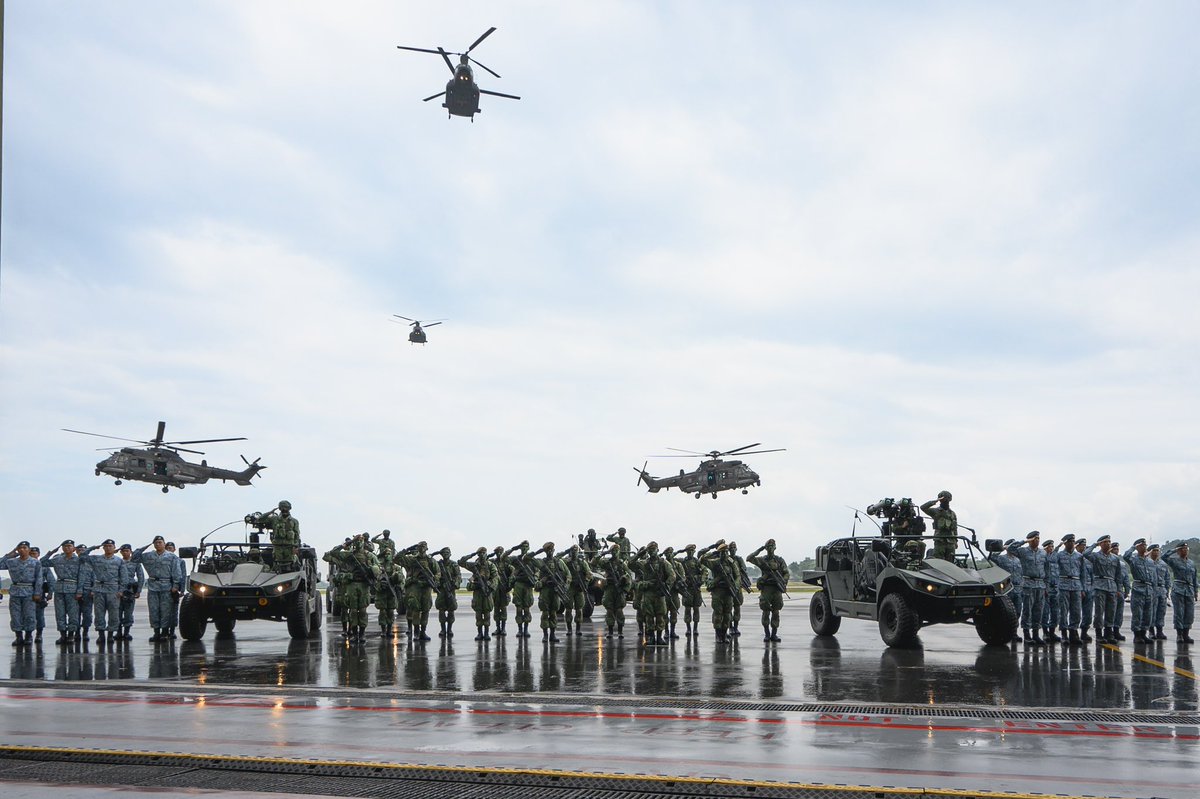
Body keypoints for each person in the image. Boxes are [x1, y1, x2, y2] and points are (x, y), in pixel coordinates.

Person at [324, 536, 381, 642]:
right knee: (353, 611)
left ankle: (362, 634)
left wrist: (372, 570)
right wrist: (347, 543)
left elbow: (378, 567)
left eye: (360, 541)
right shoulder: (348, 555)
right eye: (357, 541)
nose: (359, 543)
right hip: (351, 585)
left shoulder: (369, 555)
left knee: (363, 610)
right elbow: (333, 552)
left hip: (364, 585)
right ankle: (354, 634)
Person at [132, 536, 184, 642]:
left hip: (167, 586)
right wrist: (145, 547)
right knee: (154, 610)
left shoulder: (171, 557)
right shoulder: (148, 555)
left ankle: (164, 633)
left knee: (165, 611)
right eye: (156, 543)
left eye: (160, 542)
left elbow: (177, 572)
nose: (158, 544)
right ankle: (156, 633)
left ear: (164, 544)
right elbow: (134, 558)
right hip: (153, 586)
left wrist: (175, 586)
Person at [79, 539, 126, 645]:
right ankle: (101, 636)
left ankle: (110, 635)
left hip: (113, 589)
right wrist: (92, 548)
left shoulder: (119, 561)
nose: (108, 548)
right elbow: (82, 557)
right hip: (99, 589)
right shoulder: (96, 559)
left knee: (113, 614)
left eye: (110, 546)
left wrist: (121, 590)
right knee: (99, 613)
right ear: (103, 547)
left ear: (114, 548)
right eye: (106, 546)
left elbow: (124, 577)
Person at [40, 540, 85, 645]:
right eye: (65, 546)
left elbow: (82, 577)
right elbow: (42, 562)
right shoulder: (57, 559)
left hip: (73, 589)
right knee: (60, 613)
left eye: (69, 546)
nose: (67, 548)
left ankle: (71, 635)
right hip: (59, 589)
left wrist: (79, 591)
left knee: (73, 613)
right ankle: (62, 635)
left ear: (74, 548)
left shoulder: (79, 560)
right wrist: (50, 553)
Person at [1, 542, 43, 646]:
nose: (22, 550)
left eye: (24, 548)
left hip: (29, 591)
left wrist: (37, 592)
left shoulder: (35, 562)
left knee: (29, 615)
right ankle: (18, 636)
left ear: (29, 549)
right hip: (15, 591)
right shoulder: (11, 562)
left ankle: (28, 636)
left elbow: (39, 578)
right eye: (19, 548)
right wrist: (9, 554)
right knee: (15, 615)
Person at [632, 542, 674, 646]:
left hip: (659, 593)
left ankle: (659, 637)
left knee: (660, 615)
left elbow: (672, 576)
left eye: (654, 549)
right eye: (650, 550)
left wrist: (666, 586)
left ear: (657, 550)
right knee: (649, 617)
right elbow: (630, 564)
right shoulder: (644, 563)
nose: (652, 551)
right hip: (648, 592)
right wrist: (638, 554)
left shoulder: (664, 563)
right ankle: (651, 637)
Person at [748, 539, 788, 643]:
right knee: (766, 611)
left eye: (772, 546)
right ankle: (767, 634)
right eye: (768, 546)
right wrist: (759, 550)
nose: (770, 548)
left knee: (776, 612)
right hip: (766, 589)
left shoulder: (779, 560)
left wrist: (783, 581)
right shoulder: (762, 560)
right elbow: (749, 558)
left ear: (775, 547)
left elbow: (786, 573)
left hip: (776, 588)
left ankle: (774, 634)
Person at [700, 540, 741, 643]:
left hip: (728, 591)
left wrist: (735, 586)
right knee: (718, 614)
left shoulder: (731, 562)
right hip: (717, 591)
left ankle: (724, 634)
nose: (725, 554)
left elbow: (738, 576)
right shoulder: (715, 562)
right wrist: (713, 552)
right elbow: (702, 559)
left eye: (726, 552)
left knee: (727, 615)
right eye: (722, 552)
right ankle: (718, 635)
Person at [1083, 535, 1121, 644]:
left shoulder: (1115, 558)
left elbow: (1118, 576)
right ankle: (1099, 634)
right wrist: (1095, 544)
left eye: (1109, 542)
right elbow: (1086, 554)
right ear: (1101, 544)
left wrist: (1118, 589)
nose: (1108, 544)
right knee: (1099, 612)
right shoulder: (1096, 556)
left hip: (1112, 587)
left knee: (1111, 612)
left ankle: (1108, 634)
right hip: (1100, 586)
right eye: (1105, 542)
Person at [1013, 531, 1048, 646]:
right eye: (1034, 538)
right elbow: (1011, 548)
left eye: (1038, 538)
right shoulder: (1023, 551)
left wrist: (1046, 585)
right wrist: (1025, 541)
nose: (1037, 540)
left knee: (1038, 611)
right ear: (1029, 540)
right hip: (1028, 584)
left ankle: (1036, 634)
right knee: (1027, 610)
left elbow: (1046, 569)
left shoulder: (1043, 553)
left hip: (1040, 584)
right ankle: (1027, 635)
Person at [398, 541, 437, 642]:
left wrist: (433, 579)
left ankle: (423, 632)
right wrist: (407, 549)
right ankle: (416, 632)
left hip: (426, 587)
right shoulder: (412, 559)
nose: (422, 548)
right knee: (415, 609)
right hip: (415, 586)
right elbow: (397, 558)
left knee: (425, 609)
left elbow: (438, 572)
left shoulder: (430, 560)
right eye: (420, 547)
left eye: (424, 546)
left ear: (427, 548)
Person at [1050, 534, 1084, 646]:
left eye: (1073, 541)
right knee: (1063, 611)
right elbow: (1050, 558)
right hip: (1063, 584)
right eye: (1069, 541)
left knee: (1076, 611)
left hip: (1076, 585)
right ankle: (1064, 634)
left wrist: (1082, 588)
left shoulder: (1079, 556)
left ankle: (1073, 632)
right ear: (1065, 543)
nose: (1072, 543)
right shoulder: (1059, 555)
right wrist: (1057, 547)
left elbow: (1083, 573)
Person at [459, 548, 498, 641]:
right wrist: (473, 554)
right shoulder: (474, 565)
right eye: (480, 553)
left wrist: (489, 585)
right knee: (478, 613)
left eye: (484, 553)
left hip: (487, 592)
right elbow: (461, 562)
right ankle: (480, 633)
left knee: (487, 613)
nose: (482, 555)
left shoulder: (490, 565)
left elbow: (495, 577)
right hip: (477, 592)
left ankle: (486, 633)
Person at [989, 540, 1023, 644]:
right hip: (1007, 588)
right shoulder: (1001, 558)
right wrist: (1002, 548)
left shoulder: (1018, 560)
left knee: (1017, 612)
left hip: (1018, 588)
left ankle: (1014, 632)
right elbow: (990, 557)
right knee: (1007, 612)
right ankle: (1006, 632)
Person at [536, 542, 571, 643]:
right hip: (545, 590)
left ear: (554, 550)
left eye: (551, 550)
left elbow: (568, 575)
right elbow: (536, 576)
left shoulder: (559, 562)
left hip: (556, 590)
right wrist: (542, 581)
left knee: (553, 613)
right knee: (545, 613)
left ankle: (552, 634)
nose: (550, 552)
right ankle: (545, 635)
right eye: (547, 550)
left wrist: (565, 585)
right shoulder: (542, 563)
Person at [595, 544, 632, 638]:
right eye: (613, 551)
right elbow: (593, 562)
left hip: (619, 589)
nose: (615, 552)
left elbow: (629, 576)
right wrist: (603, 553)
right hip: (609, 588)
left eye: (617, 550)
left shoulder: (621, 564)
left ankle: (620, 631)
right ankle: (610, 631)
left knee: (619, 610)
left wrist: (625, 587)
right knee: (609, 610)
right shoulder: (606, 562)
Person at [1163, 542, 1197, 644]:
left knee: (1189, 613)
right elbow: (1164, 557)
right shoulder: (1174, 561)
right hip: (1178, 590)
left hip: (1189, 589)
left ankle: (1186, 634)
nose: (1185, 551)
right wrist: (1175, 550)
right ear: (1179, 550)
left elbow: (1194, 579)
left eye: (1186, 549)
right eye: (1182, 549)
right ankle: (1179, 635)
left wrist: (1195, 591)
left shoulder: (1191, 563)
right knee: (1179, 613)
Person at [559, 545, 594, 637]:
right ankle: (569, 629)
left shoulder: (582, 562)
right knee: (568, 609)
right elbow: (558, 561)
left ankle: (578, 628)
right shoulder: (566, 561)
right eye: (573, 551)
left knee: (579, 609)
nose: (574, 552)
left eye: (576, 551)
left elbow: (589, 574)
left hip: (579, 588)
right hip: (570, 587)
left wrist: (585, 582)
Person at [506, 541, 538, 639]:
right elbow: (504, 558)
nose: (524, 548)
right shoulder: (516, 559)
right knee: (519, 608)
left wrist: (535, 578)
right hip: (518, 584)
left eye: (526, 547)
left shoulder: (532, 559)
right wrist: (513, 548)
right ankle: (520, 629)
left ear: (529, 548)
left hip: (528, 585)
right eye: (522, 547)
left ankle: (526, 629)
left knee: (527, 608)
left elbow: (537, 571)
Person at [675, 544, 706, 638]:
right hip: (687, 588)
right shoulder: (682, 561)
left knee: (696, 608)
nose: (690, 553)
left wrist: (700, 580)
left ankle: (695, 628)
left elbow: (704, 571)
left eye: (692, 551)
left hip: (696, 588)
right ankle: (688, 628)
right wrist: (679, 551)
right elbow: (671, 557)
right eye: (688, 551)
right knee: (687, 609)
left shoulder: (697, 562)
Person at [117, 543, 145, 642]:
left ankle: (126, 632)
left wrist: (138, 591)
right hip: (118, 590)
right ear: (121, 552)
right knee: (117, 612)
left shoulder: (136, 563)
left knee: (128, 612)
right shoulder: (118, 562)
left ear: (130, 552)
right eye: (123, 551)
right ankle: (118, 632)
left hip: (130, 590)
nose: (125, 553)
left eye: (127, 551)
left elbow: (141, 577)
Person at [919, 490, 958, 561]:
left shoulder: (952, 514)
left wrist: (956, 541)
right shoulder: (935, 511)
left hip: (951, 541)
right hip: (940, 541)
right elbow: (923, 507)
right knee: (938, 561)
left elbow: (955, 528)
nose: (946, 501)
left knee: (951, 562)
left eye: (947, 499)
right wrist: (935, 501)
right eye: (944, 500)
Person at [265, 500, 301, 572]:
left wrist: (296, 546)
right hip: (278, 546)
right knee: (278, 564)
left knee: (291, 564)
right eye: (282, 508)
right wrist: (270, 512)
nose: (284, 509)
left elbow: (297, 534)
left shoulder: (294, 521)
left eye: (286, 508)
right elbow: (260, 519)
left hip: (289, 547)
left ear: (289, 508)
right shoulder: (274, 519)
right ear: (279, 508)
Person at [374, 554, 404, 638]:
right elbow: (374, 577)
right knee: (383, 611)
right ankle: (383, 630)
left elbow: (401, 578)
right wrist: (380, 581)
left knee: (391, 611)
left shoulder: (396, 567)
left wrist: (396, 578)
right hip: (382, 592)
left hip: (392, 591)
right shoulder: (379, 567)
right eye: (386, 554)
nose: (387, 556)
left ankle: (389, 630)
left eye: (389, 554)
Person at [28, 547, 53, 643]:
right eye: (31, 554)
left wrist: (50, 593)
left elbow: (51, 581)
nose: (33, 555)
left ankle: (39, 634)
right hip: (27, 592)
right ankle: (28, 635)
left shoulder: (44, 567)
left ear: (38, 554)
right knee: (27, 615)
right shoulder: (26, 565)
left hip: (39, 593)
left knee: (39, 616)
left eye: (35, 554)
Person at [434, 547, 461, 639]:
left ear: (450, 554)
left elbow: (458, 576)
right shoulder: (438, 564)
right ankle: (442, 629)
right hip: (441, 589)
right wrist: (437, 583)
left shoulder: (454, 564)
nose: (445, 554)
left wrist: (455, 584)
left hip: (450, 589)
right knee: (441, 610)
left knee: (451, 609)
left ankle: (449, 629)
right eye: (443, 553)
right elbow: (435, 575)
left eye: (447, 552)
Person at [728, 541, 751, 636]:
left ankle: (736, 627)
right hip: (728, 587)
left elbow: (744, 570)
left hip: (737, 586)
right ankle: (730, 627)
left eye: (734, 548)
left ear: (736, 549)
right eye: (731, 548)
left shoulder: (739, 559)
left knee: (737, 607)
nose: (733, 550)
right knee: (728, 608)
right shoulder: (726, 559)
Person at [488, 545, 512, 636]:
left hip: (503, 588)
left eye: (500, 552)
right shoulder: (492, 562)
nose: (499, 554)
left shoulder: (506, 563)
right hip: (495, 589)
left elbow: (513, 573)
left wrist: (509, 583)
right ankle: (498, 628)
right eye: (497, 552)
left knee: (504, 609)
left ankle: (503, 629)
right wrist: (491, 555)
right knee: (496, 610)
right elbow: (481, 560)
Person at [1041, 540, 1061, 642]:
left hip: (1056, 588)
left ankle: (1052, 632)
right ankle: (1045, 633)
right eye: (1050, 547)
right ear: (1045, 548)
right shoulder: (1044, 558)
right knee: (1045, 611)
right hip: (1046, 588)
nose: (1052, 549)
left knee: (1055, 612)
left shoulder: (1055, 560)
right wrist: (1045, 587)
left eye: (1053, 547)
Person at [1149, 543, 1170, 640]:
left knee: (1161, 611)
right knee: (1151, 611)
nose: (1156, 552)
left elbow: (1167, 578)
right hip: (1151, 589)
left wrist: (1167, 590)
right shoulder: (1147, 562)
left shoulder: (1163, 564)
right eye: (1154, 550)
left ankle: (1160, 631)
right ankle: (1151, 631)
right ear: (1150, 552)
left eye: (1158, 550)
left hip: (1162, 589)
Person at [1110, 542, 1130, 641]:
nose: (1116, 551)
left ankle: (1117, 630)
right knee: (1110, 612)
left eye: (1117, 549)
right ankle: (1109, 631)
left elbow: (1125, 577)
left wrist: (1127, 590)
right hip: (1110, 589)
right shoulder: (1108, 561)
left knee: (1119, 612)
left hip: (1120, 591)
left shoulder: (1122, 564)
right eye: (1114, 549)